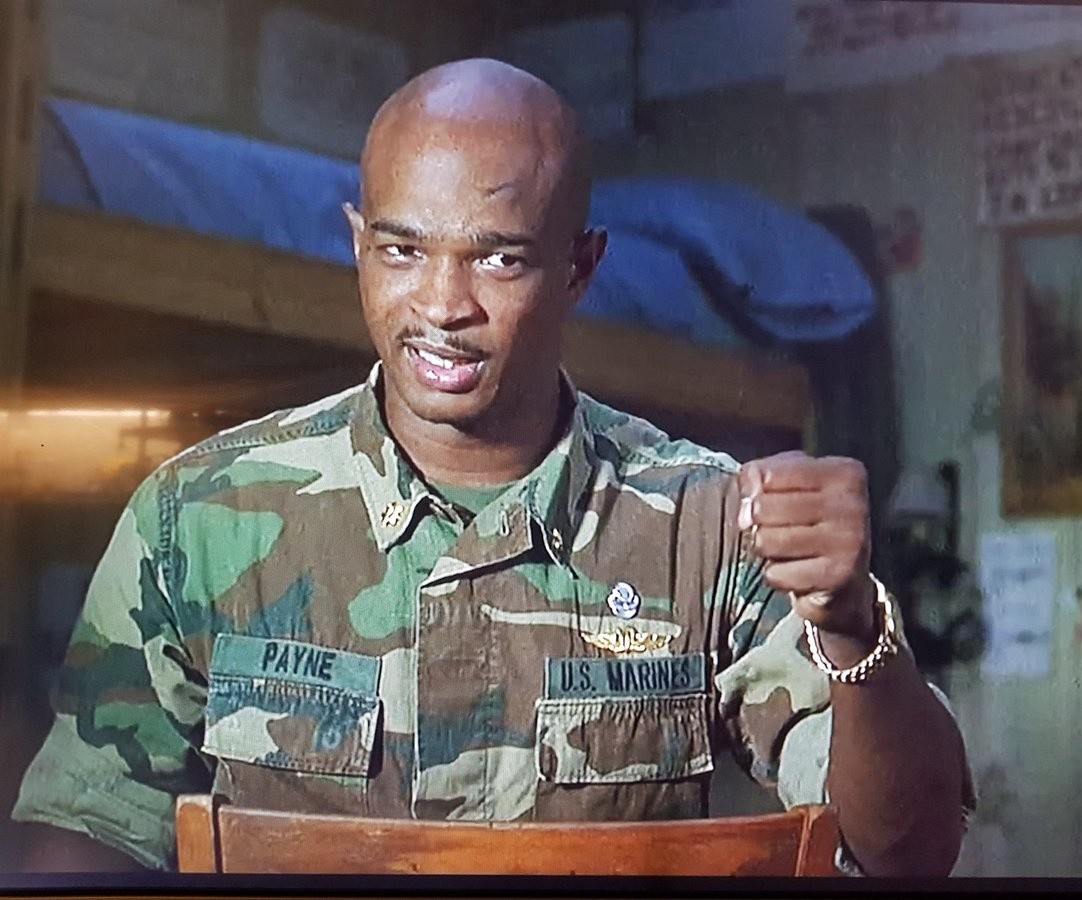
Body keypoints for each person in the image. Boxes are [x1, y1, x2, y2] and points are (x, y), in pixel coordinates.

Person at [13, 59, 972, 876]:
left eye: (499, 261)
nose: (442, 305)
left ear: (581, 268)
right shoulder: (197, 516)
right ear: (357, 244)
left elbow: (908, 851)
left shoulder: (708, 524)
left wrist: (856, 630)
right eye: (402, 250)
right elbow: (85, 837)